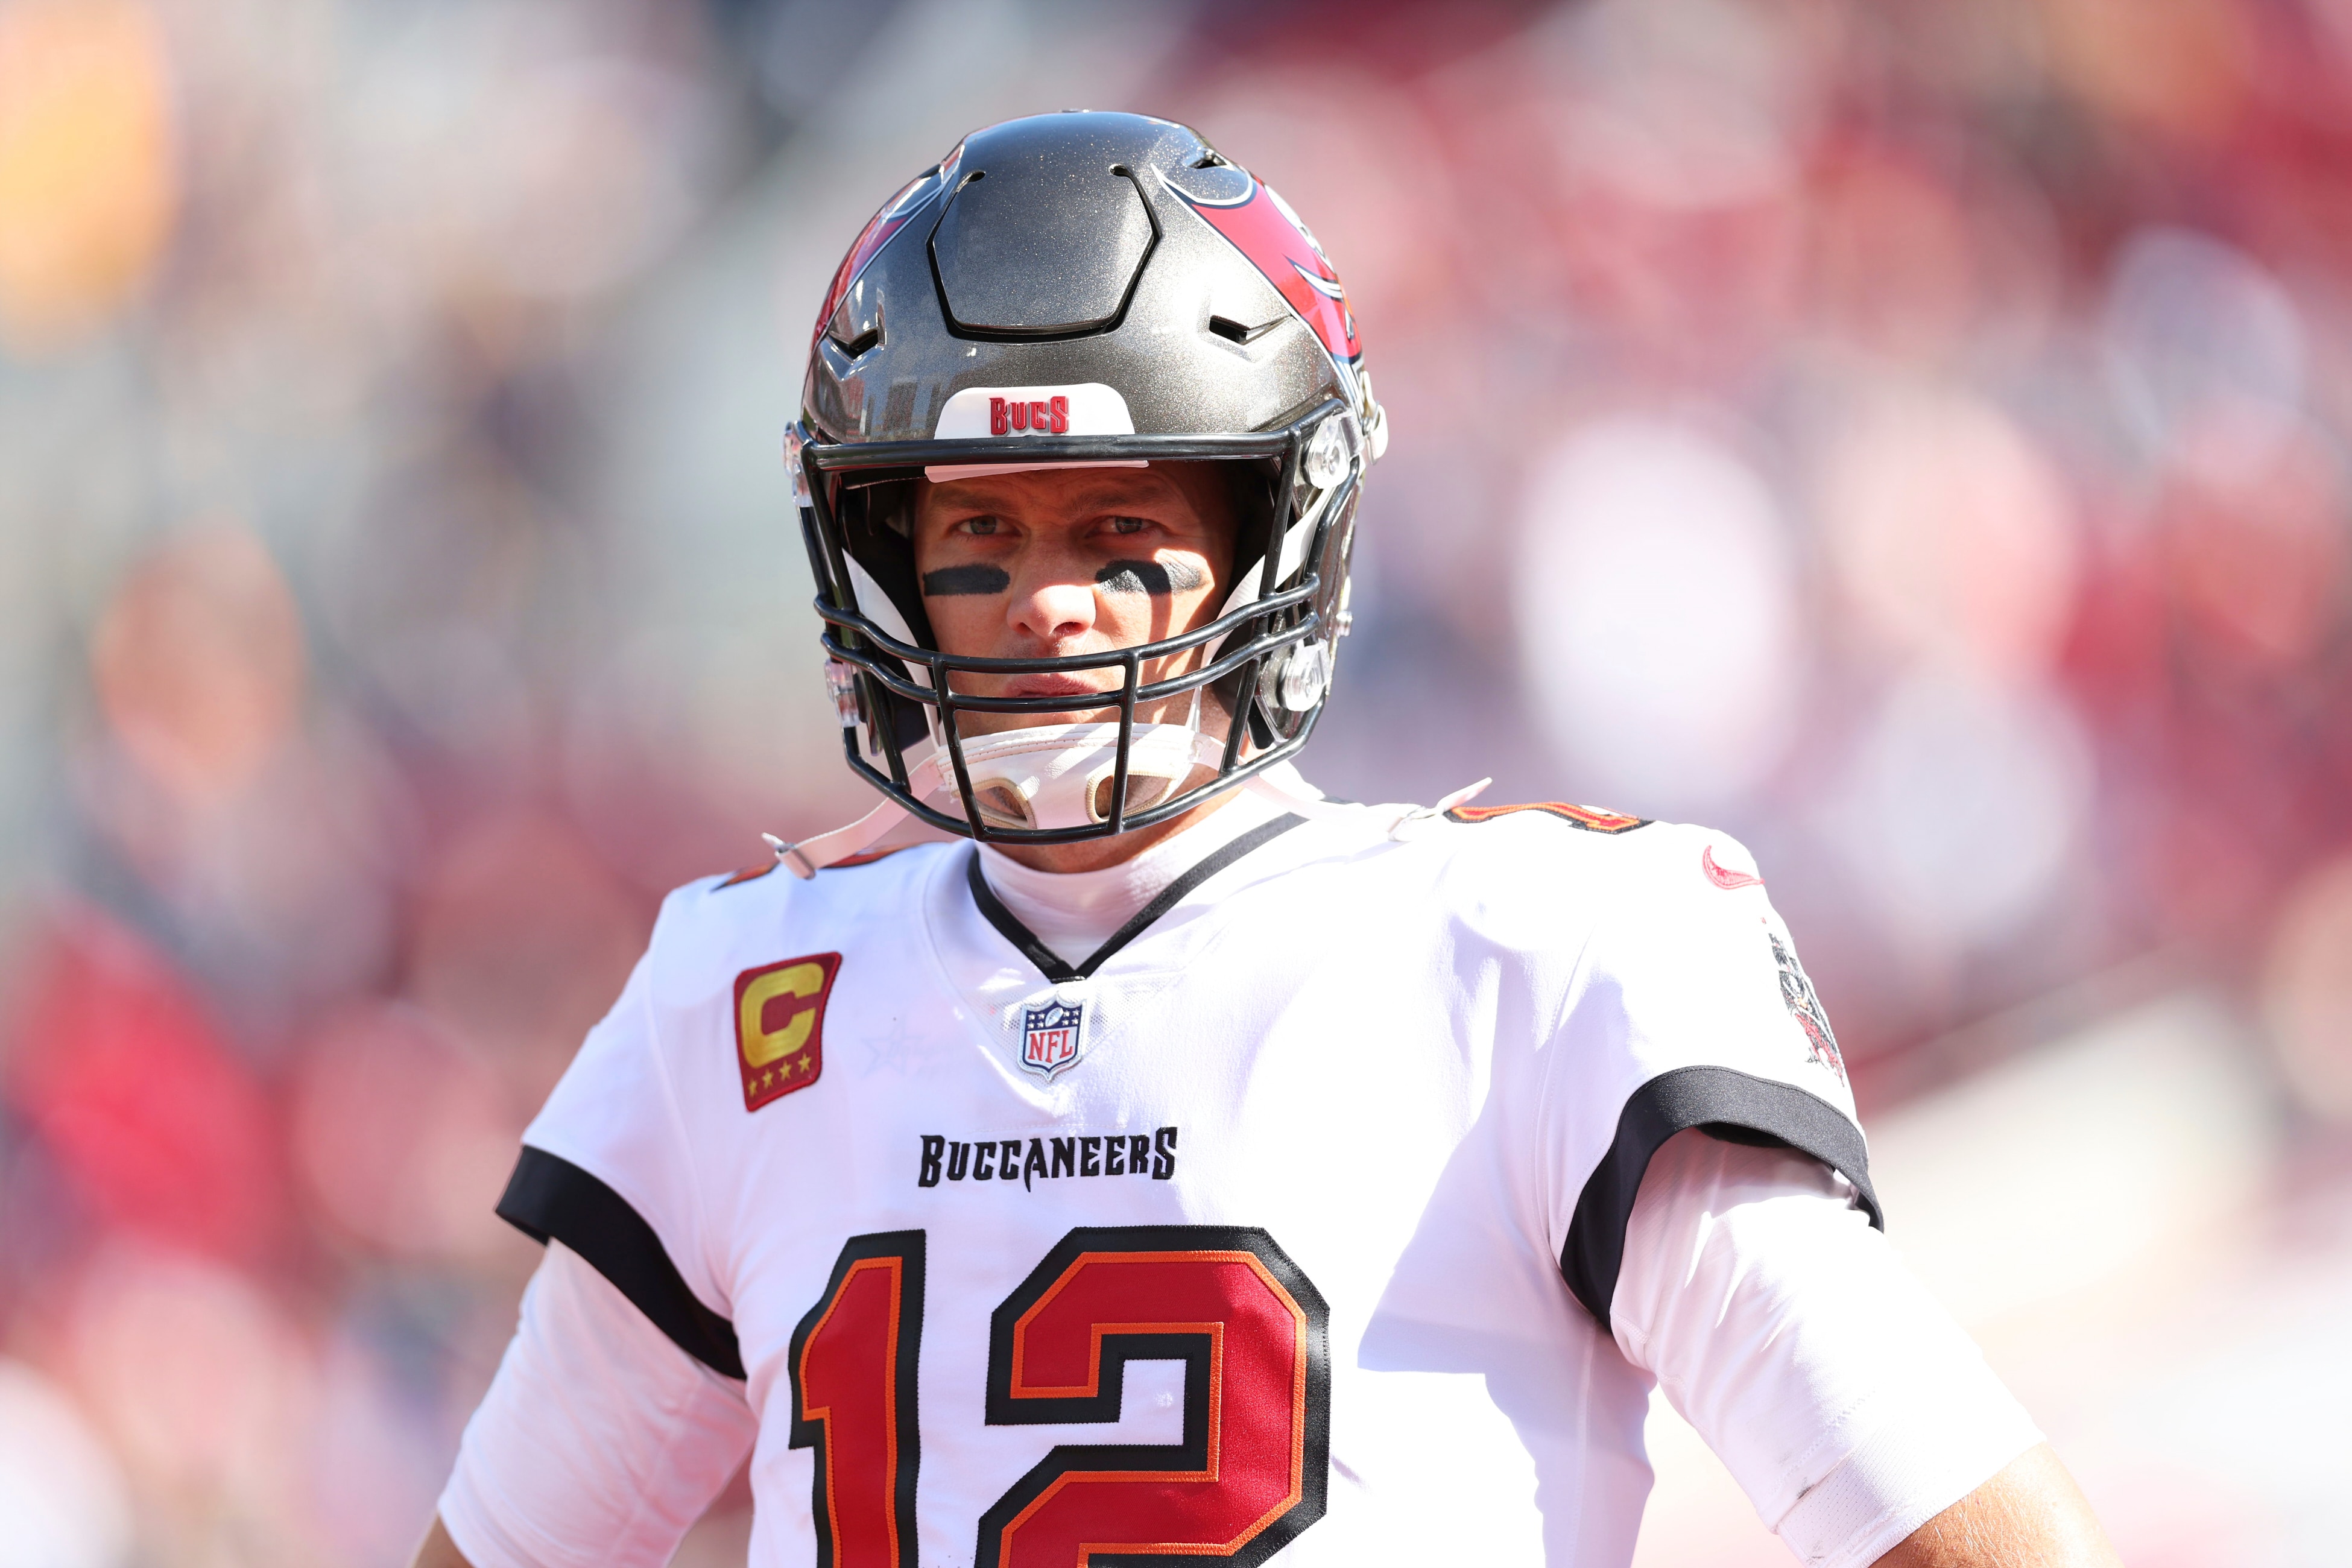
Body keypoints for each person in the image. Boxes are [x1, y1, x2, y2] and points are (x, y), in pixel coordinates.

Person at [413, 112, 2119, 1568]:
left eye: (1120, 527)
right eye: (977, 532)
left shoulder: (1529, 951)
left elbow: (1952, 1519)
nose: (1047, 602)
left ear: (1274, 533)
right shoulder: (749, 987)